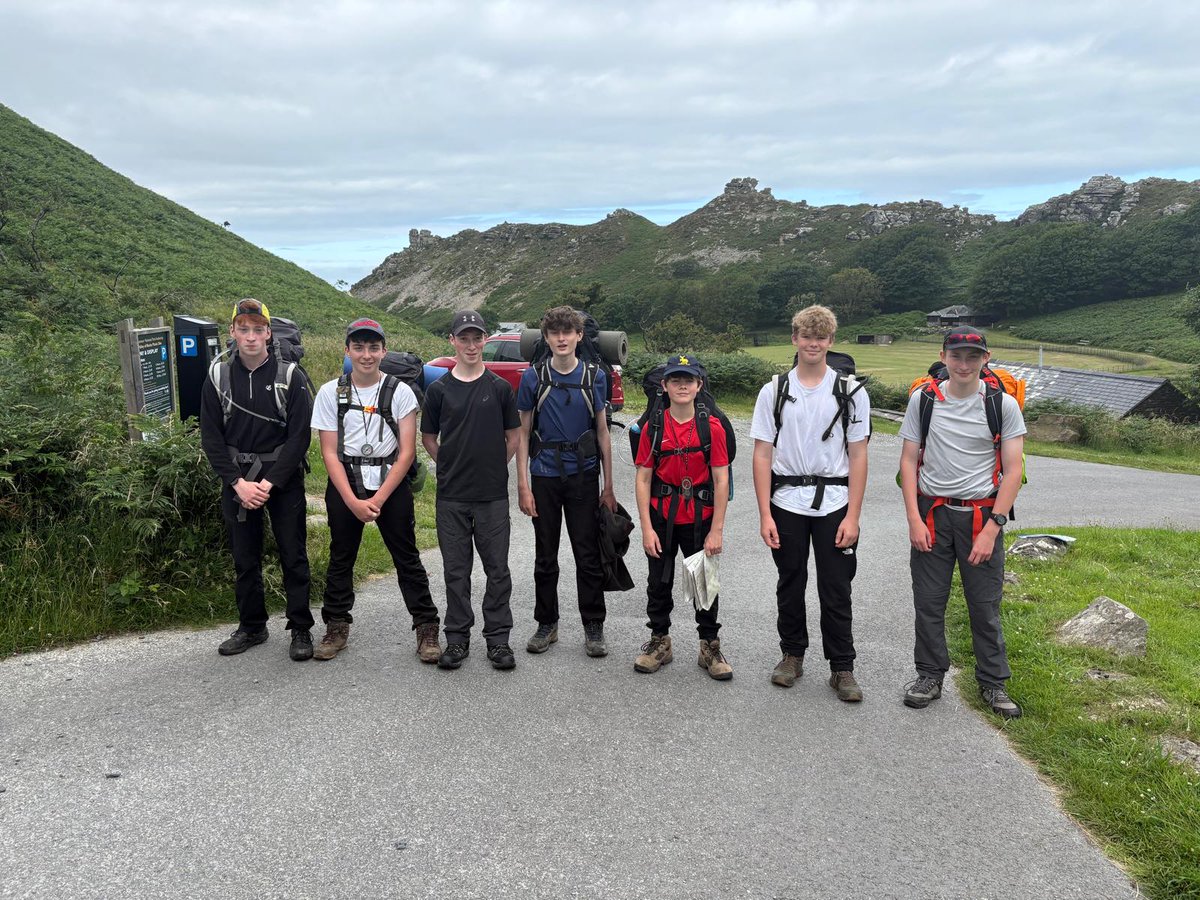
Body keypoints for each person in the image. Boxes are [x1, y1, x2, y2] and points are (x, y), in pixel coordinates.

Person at [898, 326, 1026, 719]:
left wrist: (994, 527)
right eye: (957, 356)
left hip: (981, 517)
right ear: (944, 356)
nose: (964, 364)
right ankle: (929, 676)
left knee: (984, 605)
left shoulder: (1002, 405)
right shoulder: (924, 401)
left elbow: (1013, 468)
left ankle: (993, 682)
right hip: (932, 515)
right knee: (929, 602)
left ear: (985, 359)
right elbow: (907, 461)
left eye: (973, 357)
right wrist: (914, 521)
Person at [750, 305, 869, 702]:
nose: (813, 343)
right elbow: (762, 453)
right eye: (807, 336)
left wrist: (853, 515)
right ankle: (792, 655)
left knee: (836, 586)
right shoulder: (775, 391)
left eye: (821, 337)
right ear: (795, 339)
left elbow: (858, 455)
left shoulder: (851, 392)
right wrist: (765, 512)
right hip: (787, 502)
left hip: (835, 501)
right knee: (790, 581)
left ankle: (842, 667)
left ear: (831, 341)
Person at [309, 318, 442, 663]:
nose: (366, 355)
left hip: (390, 482)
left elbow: (408, 452)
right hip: (346, 481)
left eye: (373, 347)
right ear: (347, 350)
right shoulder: (330, 392)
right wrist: (352, 500)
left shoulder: (400, 392)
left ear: (383, 350)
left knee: (407, 557)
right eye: (358, 347)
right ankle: (336, 626)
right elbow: (328, 452)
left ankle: (426, 627)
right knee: (342, 556)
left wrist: (379, 498)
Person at [200, 298, 315, 660]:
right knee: (244, 557)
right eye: (243, 329)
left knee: (293, 554)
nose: (251, 337)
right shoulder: (218, 377)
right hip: (238, 483)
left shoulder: (290, 377)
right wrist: (237, 483)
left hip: (282, 481)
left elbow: (300, 437)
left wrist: (269, 484)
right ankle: (252, 626)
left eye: (257, 330)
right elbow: (211, 437)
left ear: (268, 333)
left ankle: (300, 629)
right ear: (232, 332)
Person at [421, 309, 521, 671]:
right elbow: (429, 438)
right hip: (452, 497)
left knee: (498, 570)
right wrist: (448, 463)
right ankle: (457, 640)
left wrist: (496, 464)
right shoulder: (438, 390)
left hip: (492, 496)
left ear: (484, 340)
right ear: (452, 341)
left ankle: (498, 641)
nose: (471, 344)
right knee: (456, 571)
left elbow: (513, 436)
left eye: (477, 338)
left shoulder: (498, 388)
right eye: (464, 338)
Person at [516, 306, 617, 658]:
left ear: (578, 336)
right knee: (545, 555)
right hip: (544, 476)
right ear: (546, 338)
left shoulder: (594, 376)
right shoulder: (533, 377)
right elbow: (524, 433)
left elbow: (603, 431)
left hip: (584, 475)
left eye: (567, 332)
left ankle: (593, 626)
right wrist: (523, 485)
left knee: (587, 554)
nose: (561, 338)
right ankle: (547, 624)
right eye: (554, 333)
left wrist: (609, 486)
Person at [633, 354, 732, 680]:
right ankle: (660, 641)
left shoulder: (711, 428)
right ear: (665, 385)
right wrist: (647, 528)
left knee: (703, 583)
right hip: (661, 516)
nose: (682, 385)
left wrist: (716, 530)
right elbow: (644, 478)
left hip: (700, 518)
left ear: (698, 385)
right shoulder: (654, 426)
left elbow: (721, 480)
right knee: (657, 583)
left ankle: (709, 645)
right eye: (675, 380)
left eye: (688, 380)